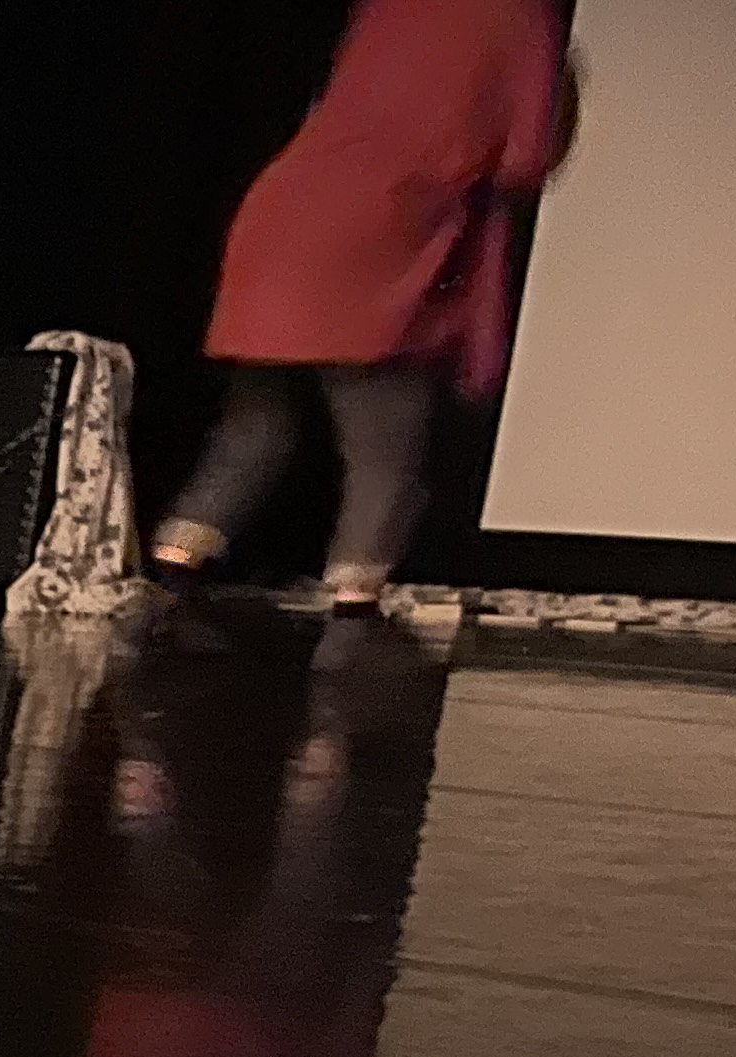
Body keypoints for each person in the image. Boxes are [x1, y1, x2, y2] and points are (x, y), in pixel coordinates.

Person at [152, 0, 572, 615]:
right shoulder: (522, 13)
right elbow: (525, 158)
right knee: (384, 449)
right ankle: (351, 611)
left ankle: (166, 576)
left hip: (284, 206)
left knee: (256, 430)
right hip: (379, 221)